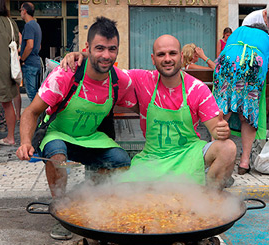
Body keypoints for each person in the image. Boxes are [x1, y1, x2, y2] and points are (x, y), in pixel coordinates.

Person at [61, 34, 237, 191]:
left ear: (181, 57)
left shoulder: (196, 88)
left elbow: (216, 128)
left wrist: (221, 130)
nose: (167, 59)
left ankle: (207, 200)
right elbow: (107, 68)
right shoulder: (141, 79)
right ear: (153, 59)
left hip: (189, 154)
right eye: (161, 54)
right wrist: (83, 56)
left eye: (172, 53)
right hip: (152, 158)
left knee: (228, 148)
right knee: (124, 196)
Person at [16, 17, 136, 240]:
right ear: (87, 48)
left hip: (92, 137)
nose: (106, 55)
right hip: (59, 134)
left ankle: (85, 200)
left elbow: (150, 89)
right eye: (99, 48)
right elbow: (30, 112)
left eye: (112, 49)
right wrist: (24, 142)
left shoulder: (120, 79)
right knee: (57, 153)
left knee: (121, 160)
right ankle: (62, 210)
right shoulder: (65, 74)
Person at [212, 23, 269, 175]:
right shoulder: (266, 37)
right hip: (253, 63)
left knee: (223, 109)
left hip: (227, 61)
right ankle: (244, 163)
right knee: (248, 113)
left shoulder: (238, 31)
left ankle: (214, 155)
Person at [0, 0, 20, 146]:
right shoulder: (11, 22)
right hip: (8, 69)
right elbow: (16, 44)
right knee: (7, 104)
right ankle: (11, 137)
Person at [19, 2, 42, 102]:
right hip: (36, 63)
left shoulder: (28, 26)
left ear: (24, 11)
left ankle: (35, 117)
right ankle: (40, 117)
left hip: (29, 64)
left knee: (31, 94)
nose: (20, 13)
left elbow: (30, 45)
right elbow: (38, 46)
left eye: (20, 10)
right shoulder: (36, 25)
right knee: (37, 93)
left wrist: (22, 59)